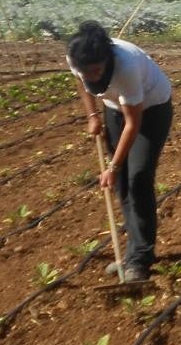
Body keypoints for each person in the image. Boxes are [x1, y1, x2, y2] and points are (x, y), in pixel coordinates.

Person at [67, 21, 173, 283]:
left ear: (107, 60)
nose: (91, 76)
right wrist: (92, 114)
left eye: (97, 71)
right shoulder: (76, 58)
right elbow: (81, 83)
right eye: (86, 71)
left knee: (138, 177)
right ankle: (131, 252)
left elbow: (133, 124)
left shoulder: (126, 68)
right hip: (115, 108)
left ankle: (140, 258)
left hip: (151, 110)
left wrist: (112, 167)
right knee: (122, 184)